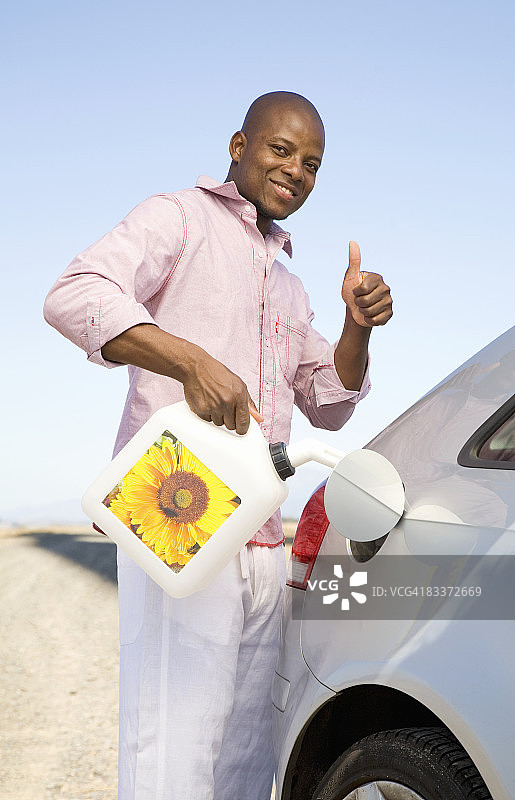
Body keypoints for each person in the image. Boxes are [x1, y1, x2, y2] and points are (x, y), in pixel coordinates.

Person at [44, 91, 393, 800]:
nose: (296, 169)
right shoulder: (176, 217)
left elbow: (328, 403)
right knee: (172, 748)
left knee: (245, 750)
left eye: (313, 163)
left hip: (262, 532)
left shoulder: (291, 287)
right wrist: (188, 361)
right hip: (178, 513)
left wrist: (357, 326)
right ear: (238, 146)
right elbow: (74, 293)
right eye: (280, 149)